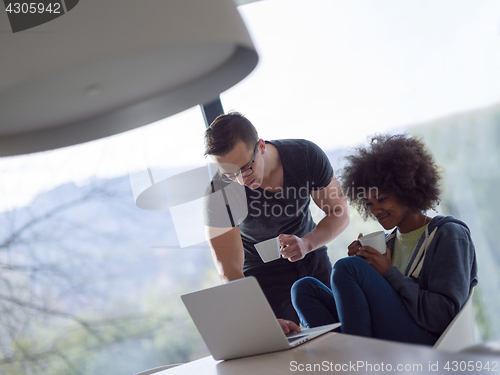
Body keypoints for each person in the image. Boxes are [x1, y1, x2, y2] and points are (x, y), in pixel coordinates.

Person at [290, 134, 478, 345]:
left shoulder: (448, 234)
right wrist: (367, 270)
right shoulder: (389, 244)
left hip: (428, 339)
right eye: (369, 203)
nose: (376, 210)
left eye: (382, 199)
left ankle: (358, 363)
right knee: (304, 288)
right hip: (389, 332)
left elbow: (443, 315)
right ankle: (341, 357)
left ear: (407, 190)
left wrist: (388, 273)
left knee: (347, 268)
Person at [203, 112, 349, 325]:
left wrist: (307, 243)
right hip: (261, 274)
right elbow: (228, 270)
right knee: (288, 349)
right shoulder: (219, 193)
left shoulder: (305, 155)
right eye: (231, 174)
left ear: (261, 146)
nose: (241, 179)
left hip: (311, 254)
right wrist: (264, 320)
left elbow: (339, 211)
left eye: (245, 167)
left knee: (339, 331)